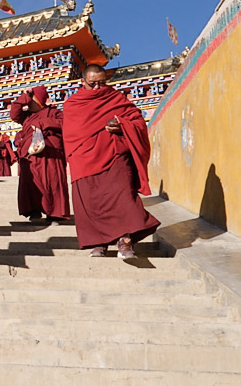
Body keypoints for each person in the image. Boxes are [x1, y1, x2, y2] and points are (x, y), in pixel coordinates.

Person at [63, 64, 160, 259]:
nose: (99, 88)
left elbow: (137, 121)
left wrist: (122, 126)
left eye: (102, 83)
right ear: (82, 83)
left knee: (122, 199)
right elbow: (70, 135)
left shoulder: (115, 98)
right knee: (91, 202)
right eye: (93, 84)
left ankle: (124, 241)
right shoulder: (73, 104)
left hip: (114, 156)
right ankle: (99, 243)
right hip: (84, 159)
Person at [9, 86, 71, 222]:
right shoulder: (27, 117)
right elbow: (14, 114)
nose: (29, 103)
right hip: (30, 156)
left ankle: (54, 213)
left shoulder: (54, 113)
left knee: (52, 182)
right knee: (31, 184)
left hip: (50, 155)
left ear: (40, 101)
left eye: (32, 100)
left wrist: (43, 123)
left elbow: (65, 123)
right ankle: (34, 211)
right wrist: (24, 97)